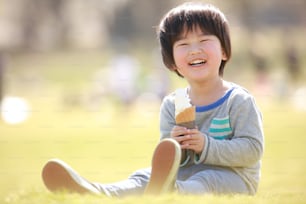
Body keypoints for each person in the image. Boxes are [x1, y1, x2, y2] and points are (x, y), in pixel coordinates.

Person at [42, 2, 264, 197]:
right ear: (172, 63)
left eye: (204, 40)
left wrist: (206, 145)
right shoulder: (173, 104)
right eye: (183, 45)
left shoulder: (238, 101)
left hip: (234, 178)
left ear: (224, 51)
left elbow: (252, 150)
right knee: (143, 176)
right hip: (185, 174)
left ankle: (174, 193)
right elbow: (167, 164)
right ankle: (99, 192)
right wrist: (177, 146)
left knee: (207, 179)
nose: (194, 50)